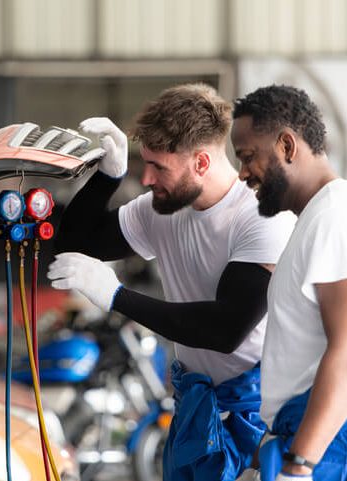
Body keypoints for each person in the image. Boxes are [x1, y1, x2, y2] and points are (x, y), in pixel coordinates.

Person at [47, 83, 296, 481]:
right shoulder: (160, 210)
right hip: (193, 401)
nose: (146, 178)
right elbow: (75, 245)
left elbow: (225, 329)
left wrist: (116, 295)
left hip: (254, 414)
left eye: (158, 167)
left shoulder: (262, 218)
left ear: (200, 162)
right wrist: (108, 177)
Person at [231, 85, 347, 481]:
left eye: (248, 157)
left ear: (286, 145)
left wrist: (302, 464)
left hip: (325, 445)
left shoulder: (334, 217)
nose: (243, 173)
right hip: (299, 433)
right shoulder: (313, 220)